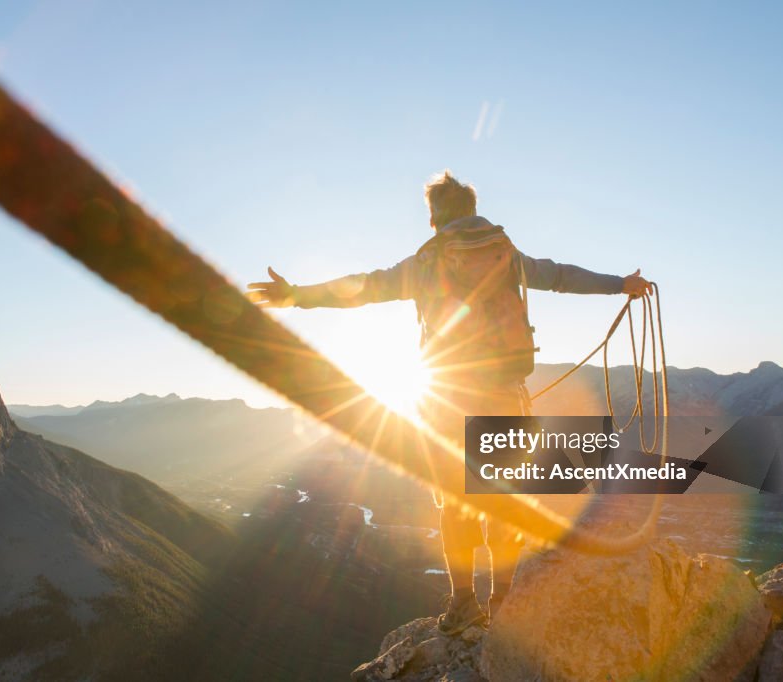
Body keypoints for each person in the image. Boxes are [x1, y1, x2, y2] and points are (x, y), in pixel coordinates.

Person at [247, 171, 651, 634]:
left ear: (435, 217)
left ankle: (463, 606)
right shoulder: (507, 254)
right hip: (505, 393)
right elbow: (560, 276)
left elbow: (363, 287)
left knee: (455, 507)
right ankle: (503, 601)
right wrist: (621, 284)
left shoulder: (427, 261)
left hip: (448, 399)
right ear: (473, 209)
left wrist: (297, 295)